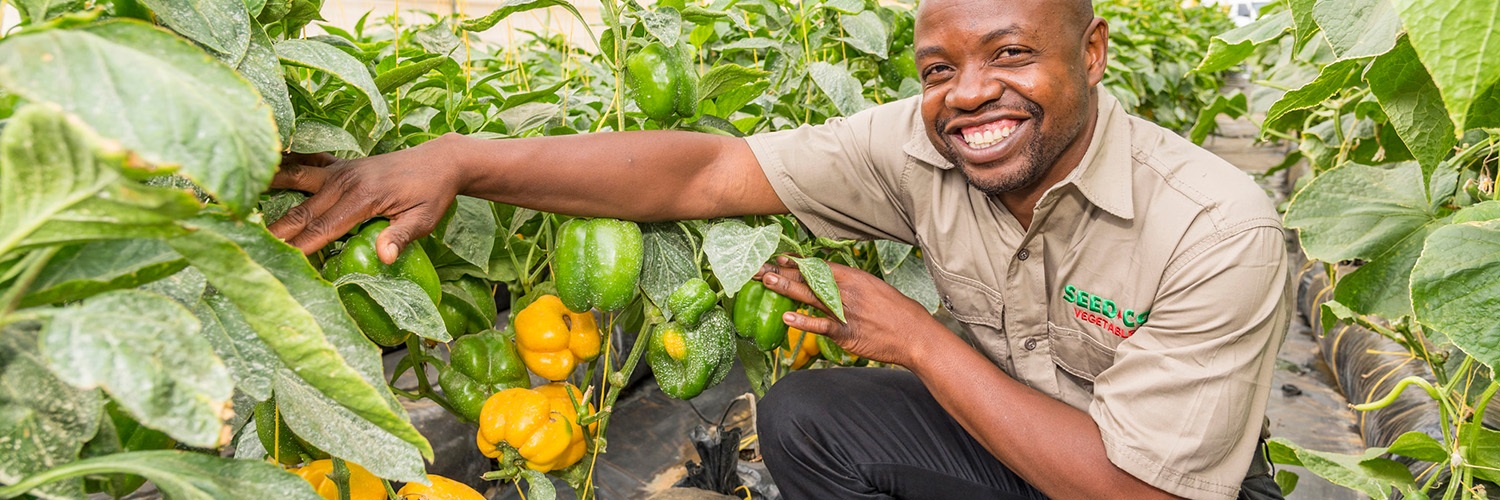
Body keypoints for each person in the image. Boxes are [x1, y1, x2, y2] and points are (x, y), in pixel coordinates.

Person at [270, 0, 1289, 497]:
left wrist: (918, 339)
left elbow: (1141, 491)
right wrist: (459, 159)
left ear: (1093, 52)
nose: (970, 93)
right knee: (806, 416)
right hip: (1014, 429)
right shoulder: (918, 144)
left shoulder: (1215, 224)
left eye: (1012, 53)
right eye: (939, 68)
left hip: (1155, 484)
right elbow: (704, 173)